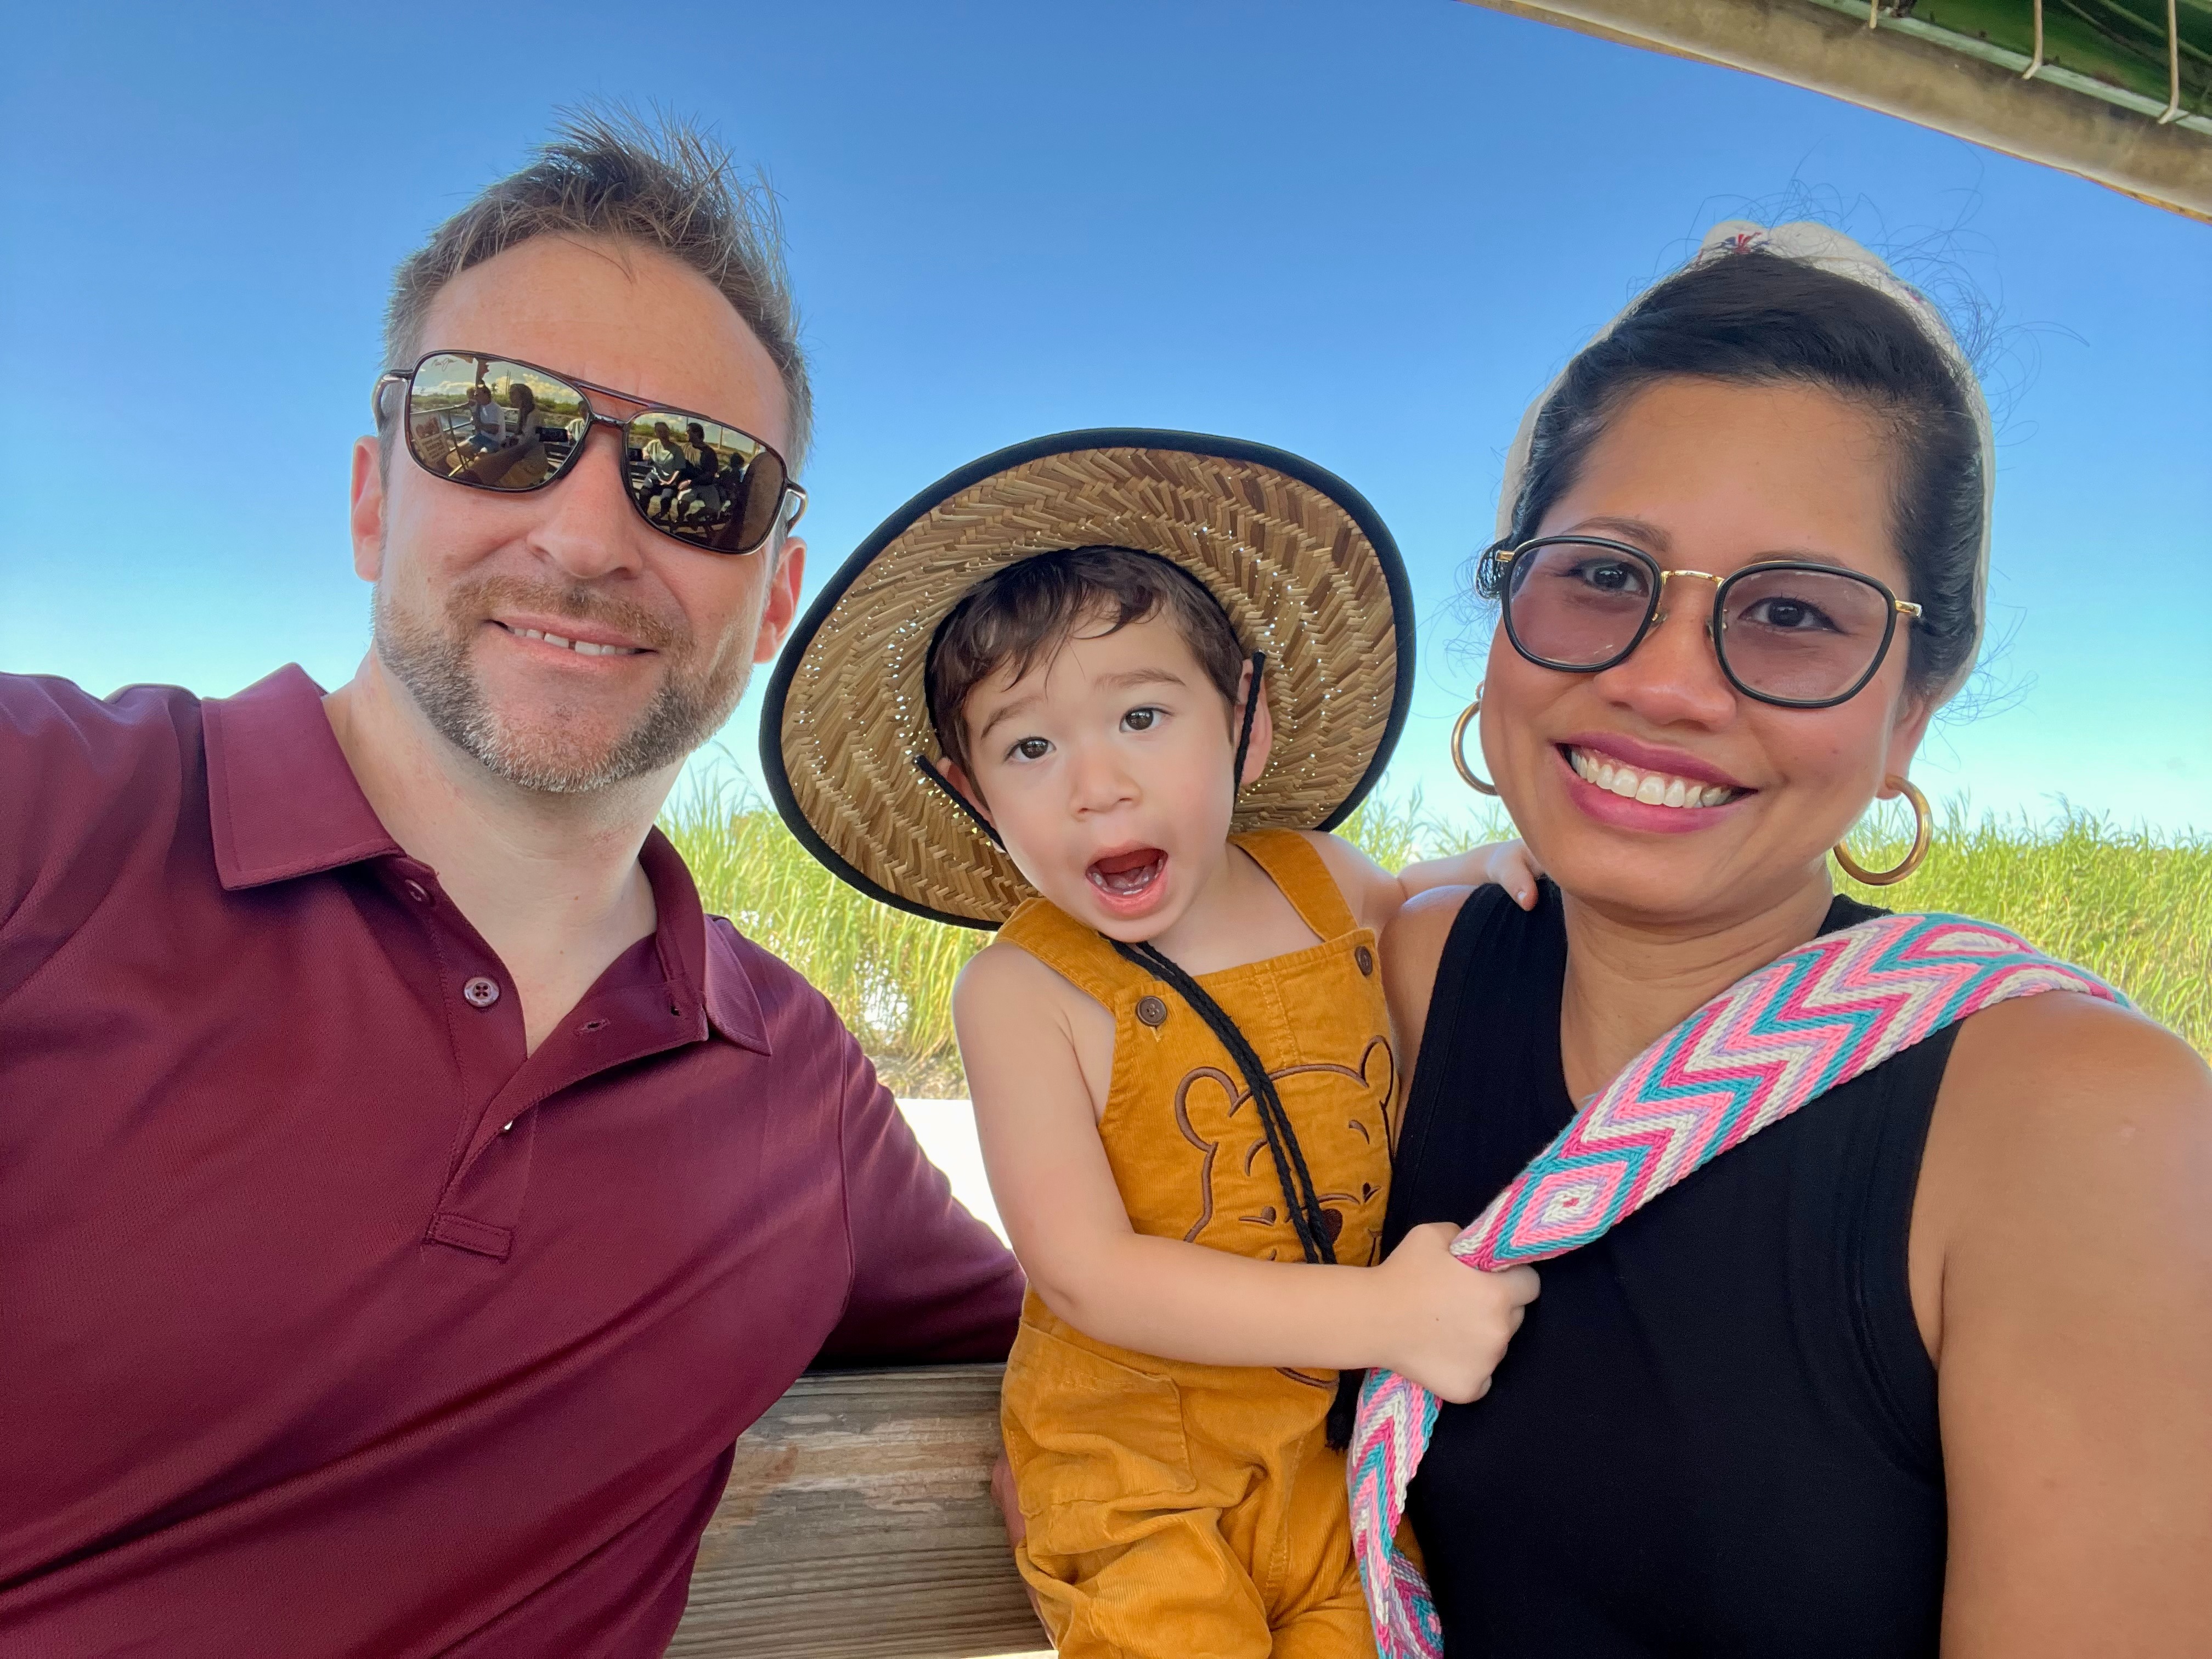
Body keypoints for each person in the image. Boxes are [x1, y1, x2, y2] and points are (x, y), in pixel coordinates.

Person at [0, 112, 1021, 1657]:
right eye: (498, 426)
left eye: (698, 480)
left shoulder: (793, 1085)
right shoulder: (54, 811)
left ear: (771, 601)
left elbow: (1074, 1334)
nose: (589, 535)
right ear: (372, 499)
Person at [1369, 223, 2212, 1655]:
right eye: (1602, 575)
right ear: (1507, 608)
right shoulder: (1412, 976)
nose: (1665, 682)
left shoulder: (2078, 1127)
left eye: (1792, 614)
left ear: (1912, 715)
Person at [761, 431, 1544, 1659]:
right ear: (973, 794)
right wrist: (1389, 1319)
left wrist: (1498, 857)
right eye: (1029, 748)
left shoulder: (1326, 880)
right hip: (1132, 1464)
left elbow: (1415, 901)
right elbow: (1088, 1274)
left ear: (1247, 722)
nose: (1097, 785)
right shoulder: (1022, 990)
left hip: (1330, 1450)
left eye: (1141, 715)